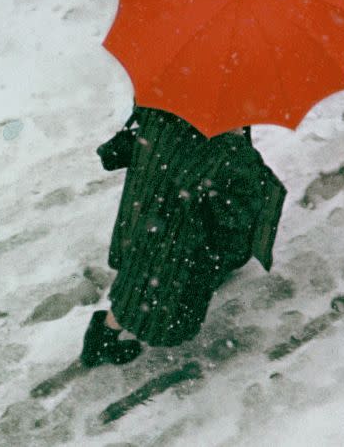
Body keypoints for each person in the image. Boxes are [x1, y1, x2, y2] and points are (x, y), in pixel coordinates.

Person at [80, 104, 286, 367]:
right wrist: (236, 146)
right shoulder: (223, 150)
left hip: (154, 201)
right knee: (156, 283)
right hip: (179, 228)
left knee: (144, 270)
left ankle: (105, 331)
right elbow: (238, 205)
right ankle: (103, 337)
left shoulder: (166, 106)